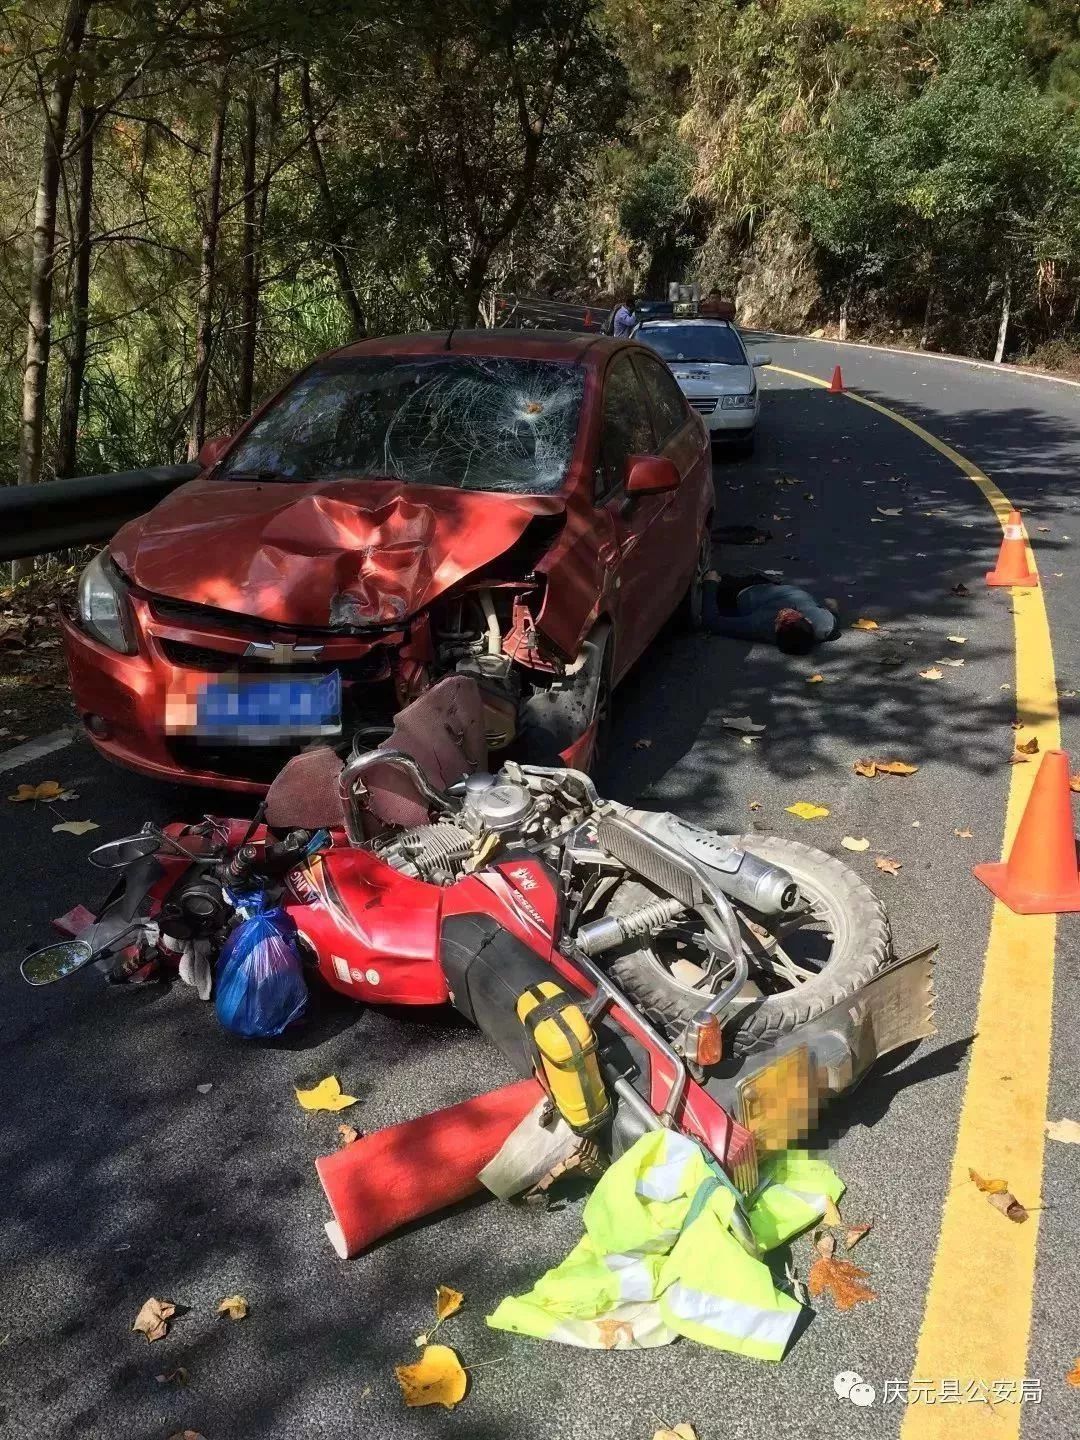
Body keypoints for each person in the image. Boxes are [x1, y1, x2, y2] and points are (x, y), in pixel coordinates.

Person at [703, 571, 838, 654]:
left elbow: (712, 622)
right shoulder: (823, 625)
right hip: (769, 586)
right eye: (792, 613)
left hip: (742, 590)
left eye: (780, 618)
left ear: (776, 628)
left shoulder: (759, 624)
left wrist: (710, 583)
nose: (783, 611)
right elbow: (833, 618)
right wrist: (833, 609)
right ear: (808, 620)